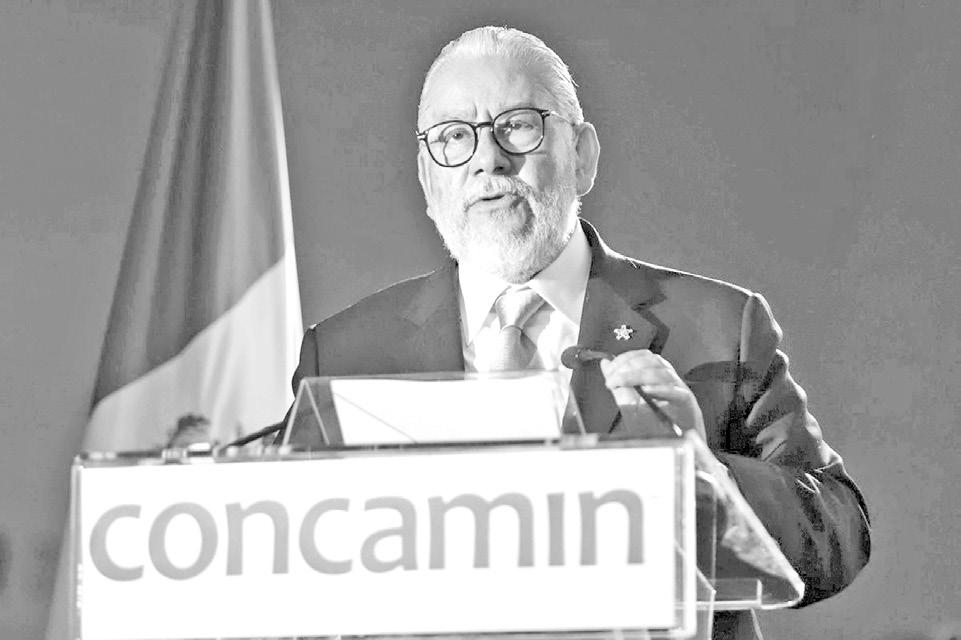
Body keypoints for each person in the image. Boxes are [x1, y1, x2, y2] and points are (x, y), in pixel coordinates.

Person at [278, 26, 870, 640]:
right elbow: (289, 569)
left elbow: (840, 532)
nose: (487, 158)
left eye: (517, 125)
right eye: (454, 136)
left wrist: (700, 477)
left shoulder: (720, 327)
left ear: (582, 155)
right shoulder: (343, 354)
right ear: (429, 182)